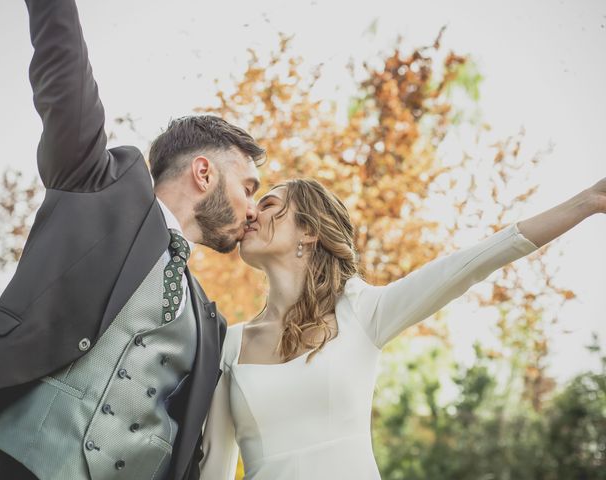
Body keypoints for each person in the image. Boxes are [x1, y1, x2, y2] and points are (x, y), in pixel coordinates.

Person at [0, 1, 264, 479]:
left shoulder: (211, 322)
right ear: (204, 172)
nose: (253, 210)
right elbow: (64, 74)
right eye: (249, 188)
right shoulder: (98, 187)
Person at [199, 177, 605, 479]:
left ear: (309, 230)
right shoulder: (229, 345)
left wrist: (587, 201)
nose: (251, 212)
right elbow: (213, 467)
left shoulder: (363, 312)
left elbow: (474, 262)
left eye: (269, 204)